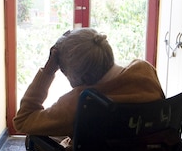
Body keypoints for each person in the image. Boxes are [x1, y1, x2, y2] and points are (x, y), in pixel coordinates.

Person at [13, 28, 164, 138]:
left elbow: (23, 120)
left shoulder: (80, 102)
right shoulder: (145, 72)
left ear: (82, 79)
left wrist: (48, 71)